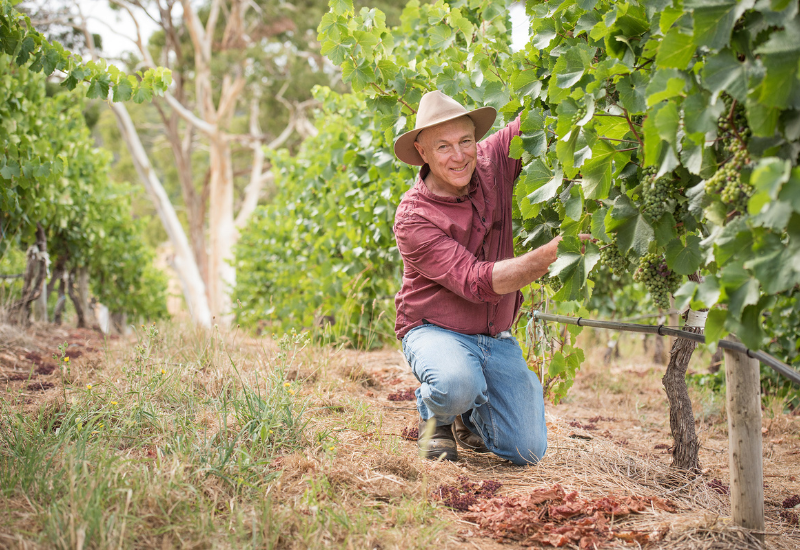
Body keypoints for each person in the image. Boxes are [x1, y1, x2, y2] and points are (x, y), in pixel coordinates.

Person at [392, 90, 590, 465]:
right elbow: (476, 281)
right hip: (435, 331)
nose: (459, 155)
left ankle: (468, 413)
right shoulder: (413, 217)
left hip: (494, 338)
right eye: (444, 146)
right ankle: (438, 413)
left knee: (526, 450)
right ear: (422, 152)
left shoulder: (492, 160)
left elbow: (538, 115)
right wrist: (548, 255)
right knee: (455, 383)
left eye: (465, 141)